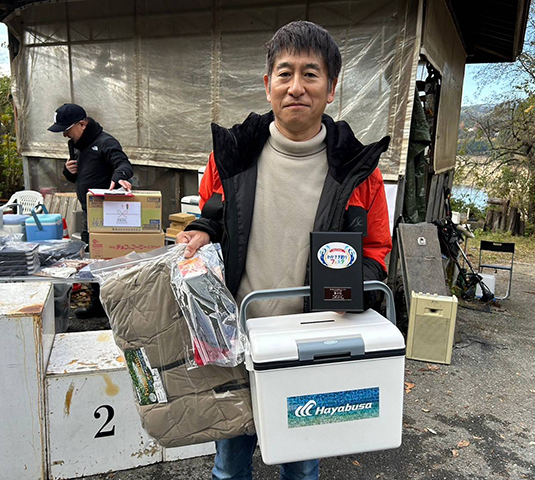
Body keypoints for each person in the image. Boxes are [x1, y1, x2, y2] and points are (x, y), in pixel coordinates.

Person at [177, 21, 392, 480]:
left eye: (311, 74)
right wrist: (199, 233)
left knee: (301, 467)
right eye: (284, 73)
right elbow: (211, 219)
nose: (297, 86)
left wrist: (357, 293)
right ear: (268, 84)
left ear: (331, 89)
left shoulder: (358, 170)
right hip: (237, 340)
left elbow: (376, 249)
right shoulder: (230, 156)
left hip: (308, 349)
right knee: (229, 466)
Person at [48, 103, 134, 319]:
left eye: (67, 129)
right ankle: (98, 304)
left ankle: (118, 309)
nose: (65, 134)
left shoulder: (105, 142)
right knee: (94, 257)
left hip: (110, 212)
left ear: (83, 124)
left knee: (112, 260)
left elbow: (122, 163)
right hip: (89, 211)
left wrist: (120, 176)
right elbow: (78, 174)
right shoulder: (75, 144)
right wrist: (67, 172)